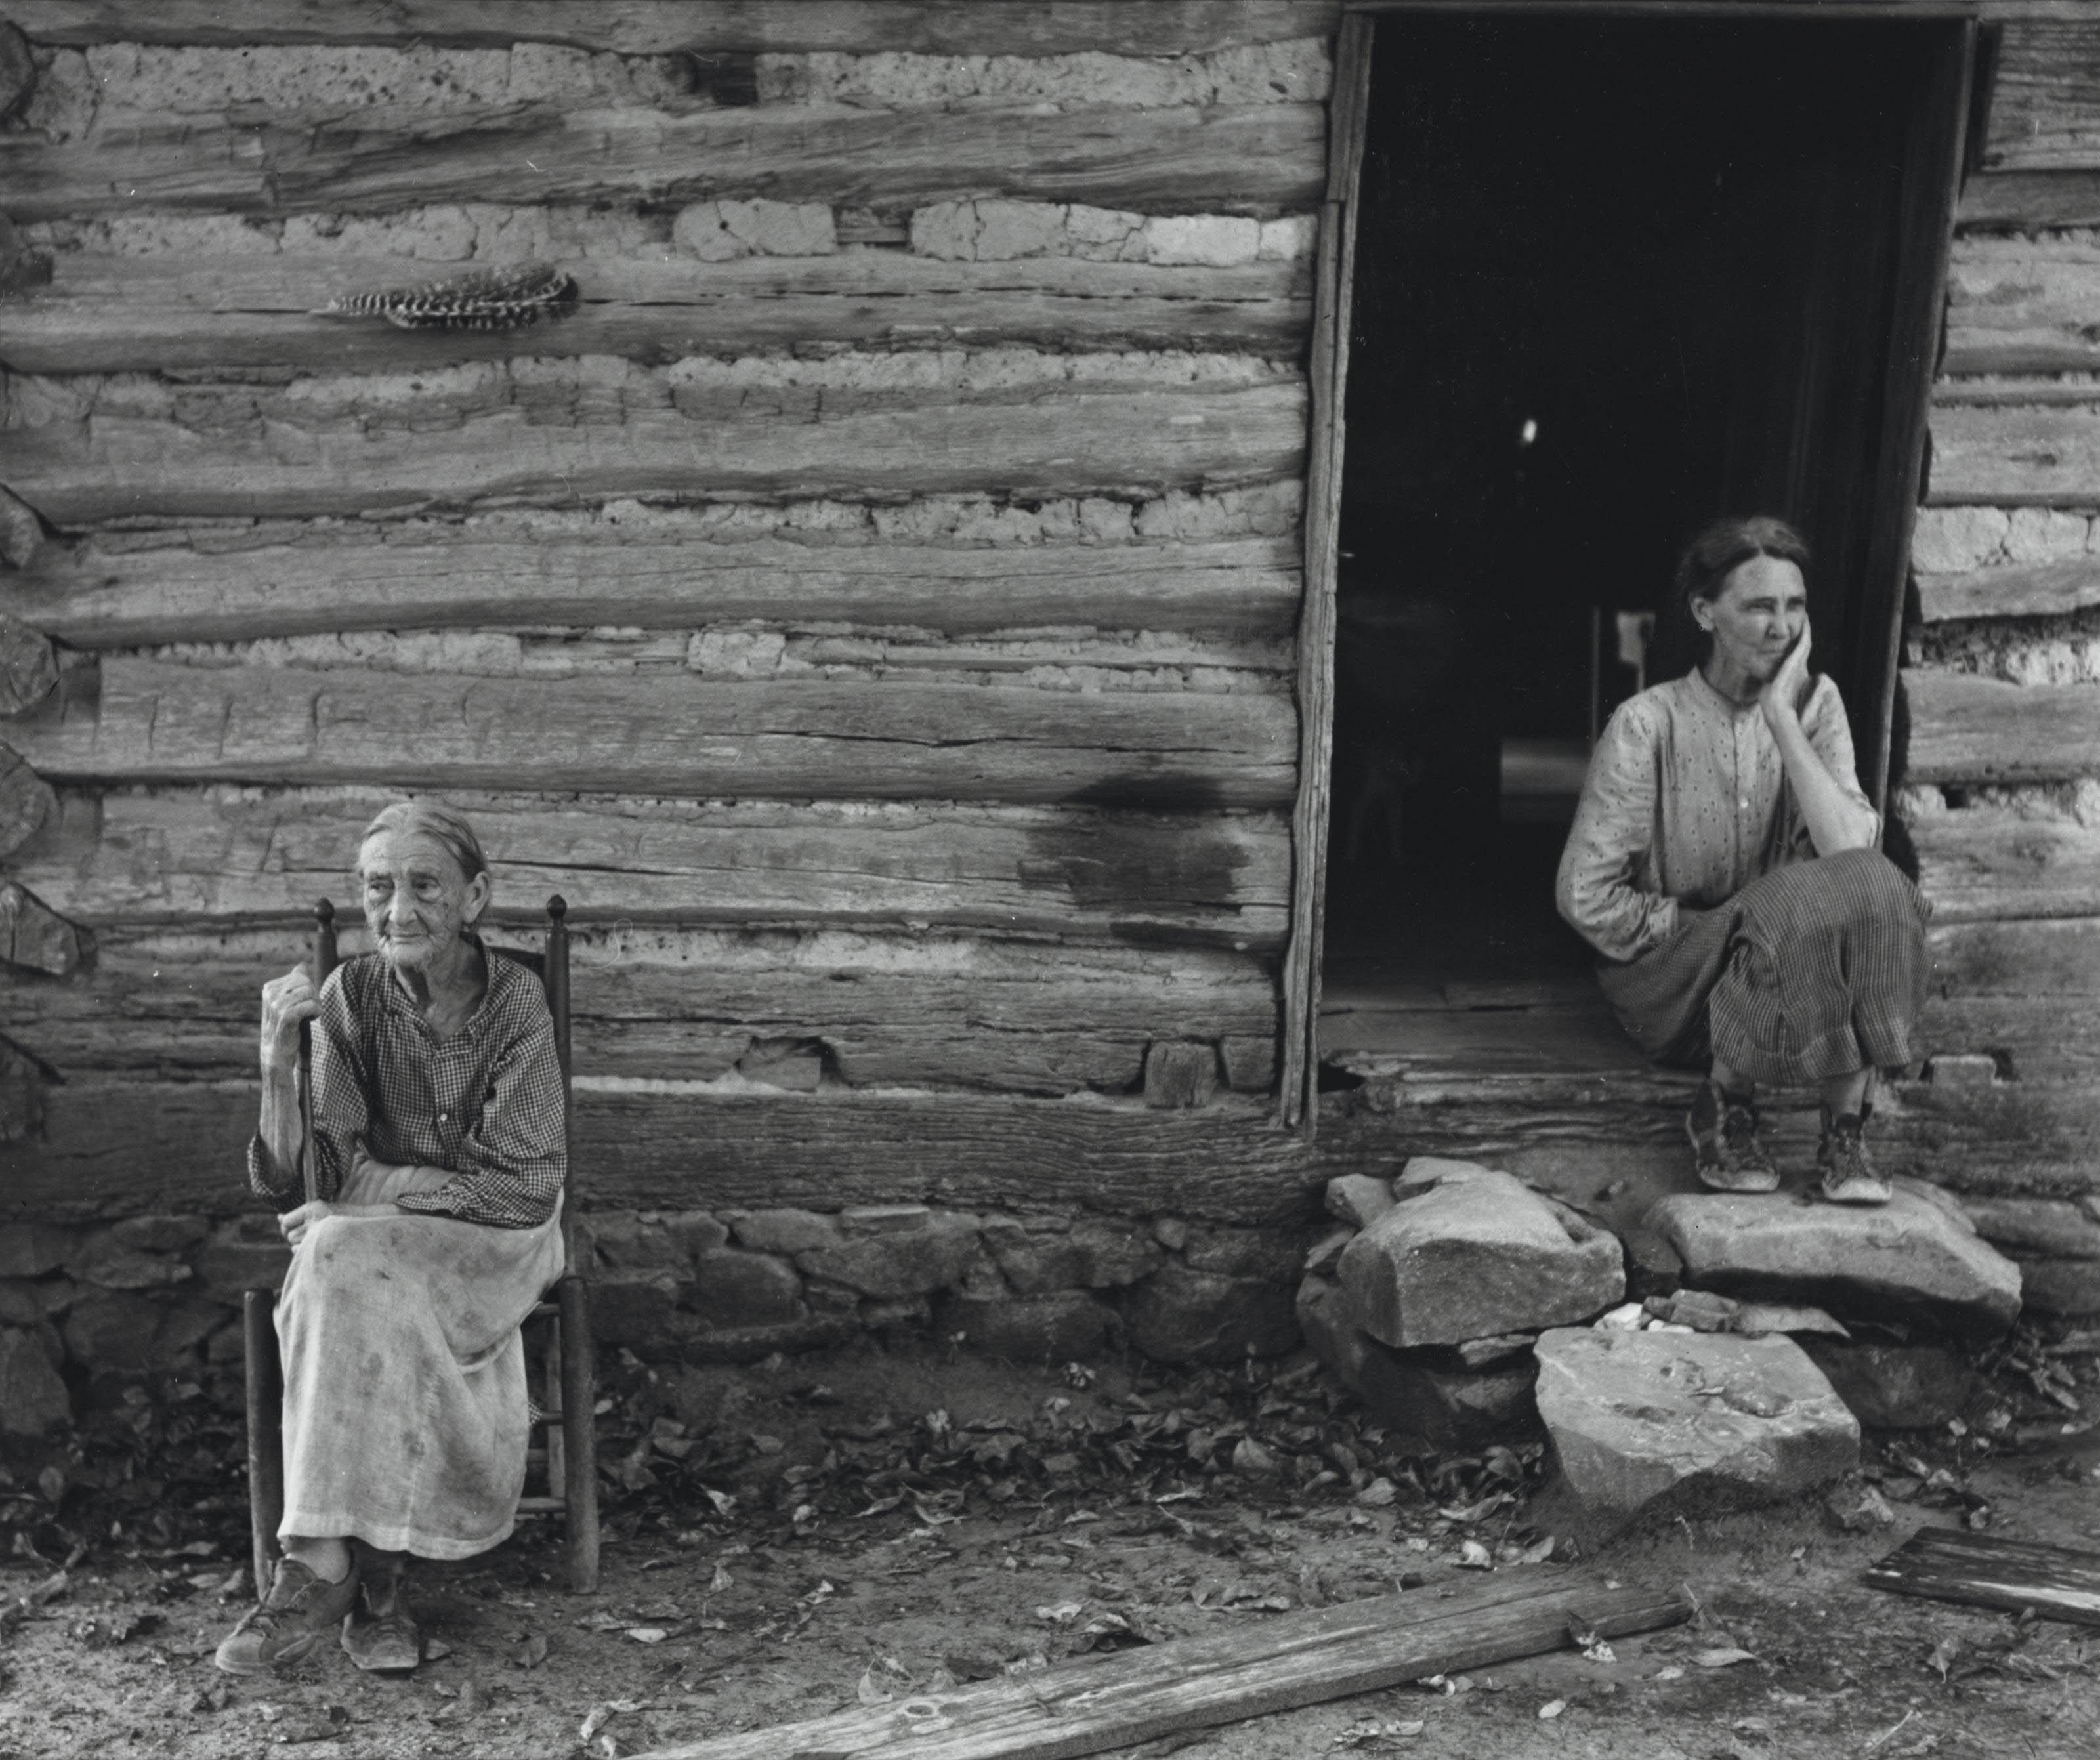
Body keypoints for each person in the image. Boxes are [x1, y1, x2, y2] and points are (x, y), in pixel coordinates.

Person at [216, 800, 566, 1675]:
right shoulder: (352, 995)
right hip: (374, 1242)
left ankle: (320, 1567)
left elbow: (519, 1187)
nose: (397, 911)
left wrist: (379, 1196)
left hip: (500, 1240)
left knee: (341, 1253)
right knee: (344, 1261)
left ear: (475, 896)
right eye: (379, 888)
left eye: (424, 887)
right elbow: (302, 1182)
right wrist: (276, 1060)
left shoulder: (517, 1003)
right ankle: (370, 1582)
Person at [1555, 515, 1927, 1204]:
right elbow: (1584, 896)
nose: (1779, 627)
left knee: (1871, 881)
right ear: (1704, 612)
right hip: (1674, 988)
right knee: (1787, 904)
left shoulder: (1815, 707)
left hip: (1792, 988)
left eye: (1793, 607)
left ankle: (1843, 1134)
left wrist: (1782, 720)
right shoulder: (1647, 723)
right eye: (1757, 606)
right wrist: (1728, 931)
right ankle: (1723, 1107)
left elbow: (1850, 847)